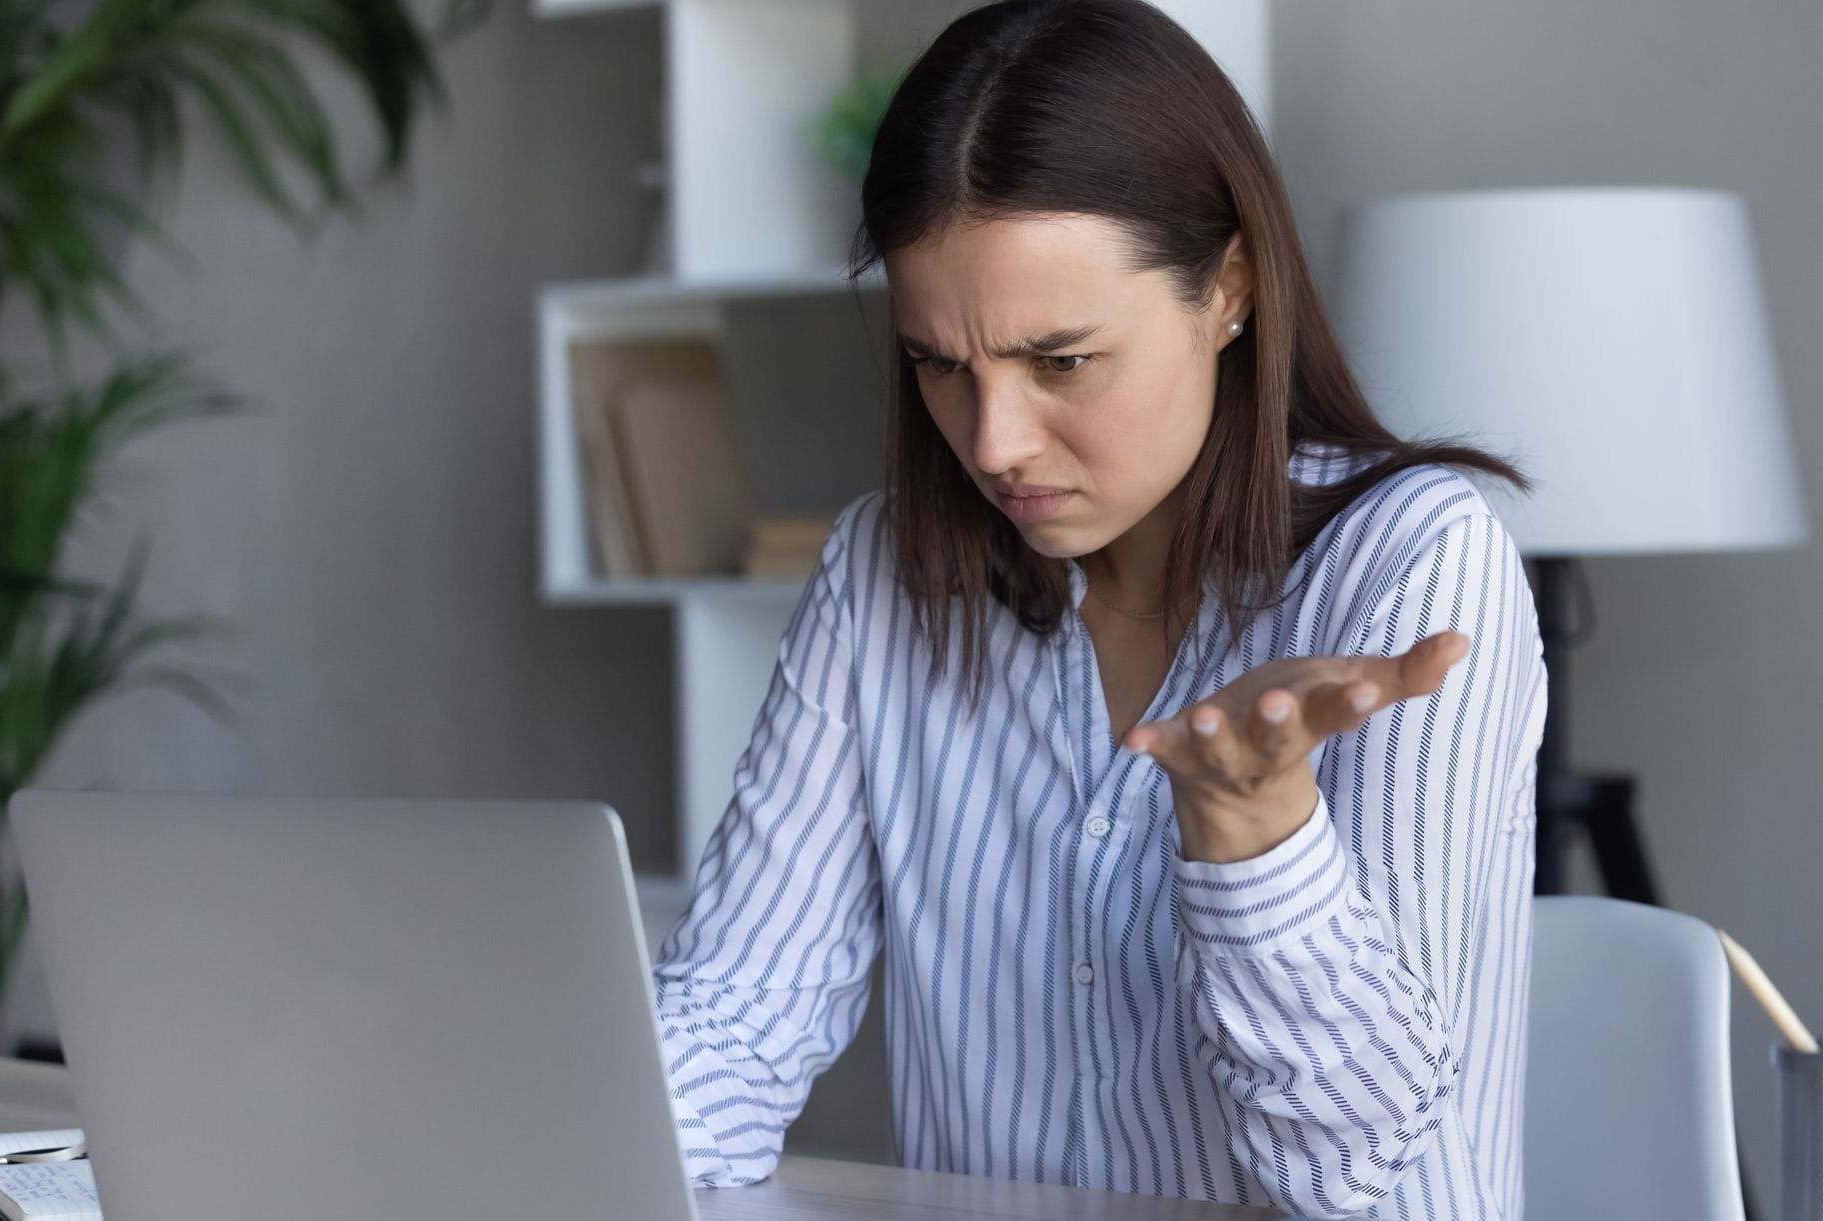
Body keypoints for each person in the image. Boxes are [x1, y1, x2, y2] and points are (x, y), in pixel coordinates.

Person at [649, 2, 1546, 1218]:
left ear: (1226, 287)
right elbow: (732, 1023)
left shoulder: (1412, 564)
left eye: (1060, 362)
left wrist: (1252, 837)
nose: (993, 443)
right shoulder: (883, 573)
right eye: (938, 365)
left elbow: (1356, 1176)